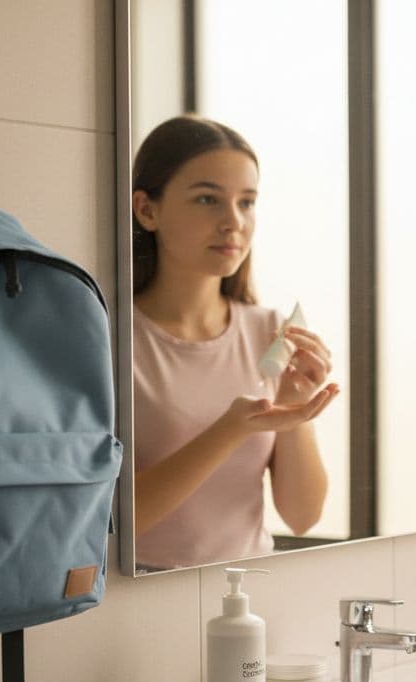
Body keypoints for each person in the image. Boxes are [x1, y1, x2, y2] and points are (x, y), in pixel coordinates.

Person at [131, 115, 340, 570]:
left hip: (252, 592)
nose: (233, 222)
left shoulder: (269, 330)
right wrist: (233, 428)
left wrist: (292, 405)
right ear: (147, 209)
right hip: (140, 599)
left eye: (247, 202)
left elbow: (303, 516)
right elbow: (114, 520)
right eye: (208, 199)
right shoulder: (111, 338)